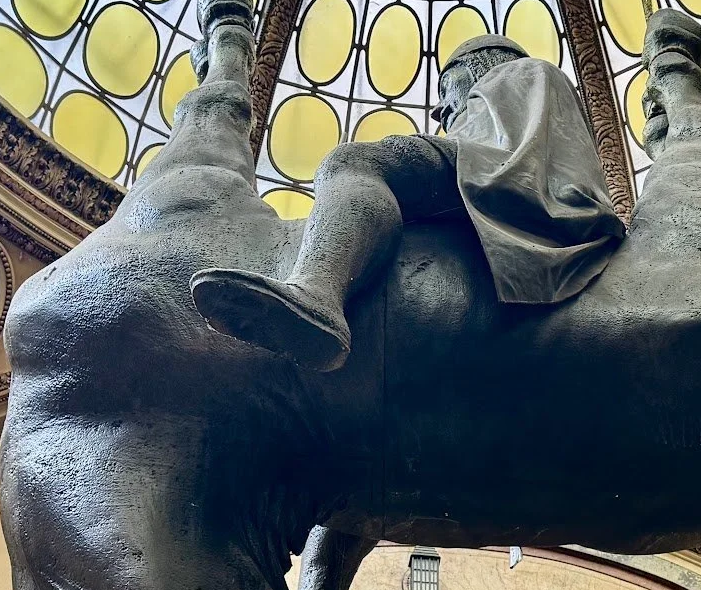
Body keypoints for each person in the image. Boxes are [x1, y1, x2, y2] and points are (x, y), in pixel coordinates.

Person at [189, 34, 625, 371]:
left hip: (507, 176)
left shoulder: (518, 75)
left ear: (478, 68)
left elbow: (502, 151)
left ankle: (318, 293)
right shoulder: (541, 84)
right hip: (532, 186)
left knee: (353, 161)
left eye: (446, 88)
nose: (439, 109)